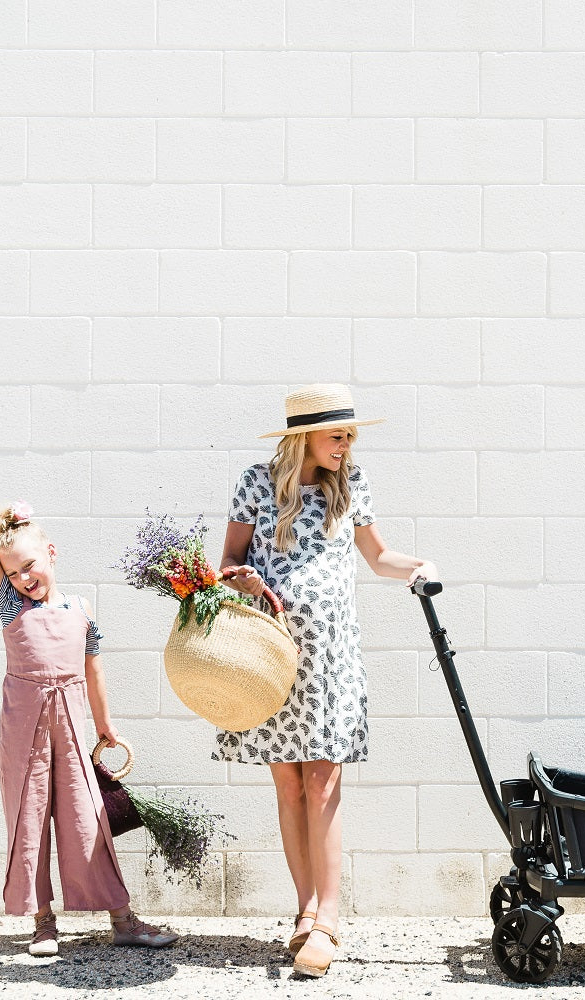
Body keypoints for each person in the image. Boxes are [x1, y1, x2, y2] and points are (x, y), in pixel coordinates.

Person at [213, 384, 437, 978]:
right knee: (288, 785)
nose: (346, 444)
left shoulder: (350, 485)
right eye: (337, 434)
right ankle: (305, 910)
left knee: (323, 780)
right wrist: (246, 582)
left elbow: (377, 556)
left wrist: (418, 566)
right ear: (303, 437)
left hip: (332, 658)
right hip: (274, 657)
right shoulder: (256, 484)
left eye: (349, 434)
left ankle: (330, 919)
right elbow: (228, 563)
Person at [0, 447, 179, 956]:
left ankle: (122, 918)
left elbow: (93, 667)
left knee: (86, 817)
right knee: (29, 819)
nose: (22, 578)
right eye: (13, 574)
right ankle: (43, 922)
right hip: (23, 725)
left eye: (28, 565)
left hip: (72, 722)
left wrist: (106, 726)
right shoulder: (10, 606)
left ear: (50, 551)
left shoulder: (82, 608)